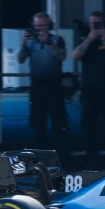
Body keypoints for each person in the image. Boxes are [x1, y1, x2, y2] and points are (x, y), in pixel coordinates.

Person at [71, 11, 105, 169]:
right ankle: (92, 159)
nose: (96, 26)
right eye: (93, 24)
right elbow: (75, 56)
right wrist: (89, 39)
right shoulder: (84, 38)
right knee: (89, 125)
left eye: (98, 23)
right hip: (89, 89)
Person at [17, 11, 68, 159]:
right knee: (38, 124)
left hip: (54, 87)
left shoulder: (57, 40)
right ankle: (41, 157)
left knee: (59, 123)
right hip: (37, 88)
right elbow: (20, 59)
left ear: (48, 25)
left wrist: (48, 43)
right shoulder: (31, 42)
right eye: (36, 26)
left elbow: (62, 56)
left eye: (42, 26)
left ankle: (62, 157)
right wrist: (24, 44)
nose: (39, 29)